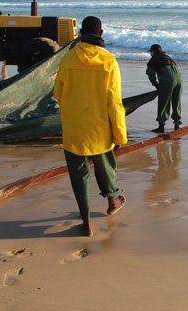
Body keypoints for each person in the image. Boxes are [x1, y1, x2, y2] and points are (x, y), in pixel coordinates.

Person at [54, 16, 127, 237]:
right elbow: (115, 102)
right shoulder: (109, 61)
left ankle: (86, 222)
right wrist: (120, 135)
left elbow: (58, 93)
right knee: (105, 167)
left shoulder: (67, 59)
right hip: (100, 129)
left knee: (79, 176)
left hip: (75, 129)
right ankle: (112, 201)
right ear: (101, 34)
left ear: (81, 33)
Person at [146, 43, 183, 133]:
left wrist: (156, 85)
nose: (150, 54)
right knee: (176, 101)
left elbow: (150, 73)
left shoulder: (154, 59)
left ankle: (161, 126)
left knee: (163, 102)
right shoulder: (168, 57)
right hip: (179, 80)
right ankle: (177, 124)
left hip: (168, 80)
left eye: (150, 52)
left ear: (153, 52)